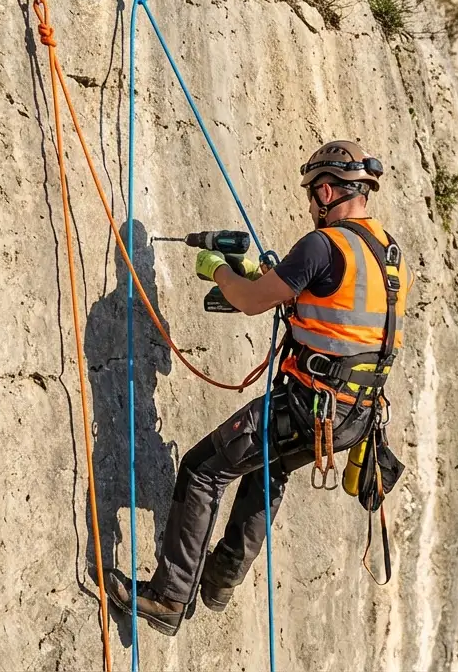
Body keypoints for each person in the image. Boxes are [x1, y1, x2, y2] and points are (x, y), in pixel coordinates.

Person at [105, 140, 412, 637]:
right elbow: (343, 312)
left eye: (313, 196)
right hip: (355, 415)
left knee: (203, 469)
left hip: (313, 404)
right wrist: (275, 280)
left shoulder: (324, 244)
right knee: (267, 469)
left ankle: (168, 597)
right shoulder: (387, 253)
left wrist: (221, 272)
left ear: (328, 190)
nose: (311, 207)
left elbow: (249, 302)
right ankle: (221, 579)